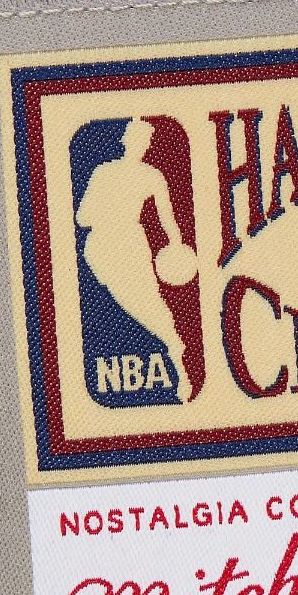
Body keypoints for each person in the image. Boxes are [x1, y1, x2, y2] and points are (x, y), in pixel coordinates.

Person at [75, 118, 196, 400]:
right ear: (126, 141)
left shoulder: (152, 176)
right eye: (139, 139)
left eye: (146, 141)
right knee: (134, 302)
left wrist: (176, 246)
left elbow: (168, 219)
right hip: (104, 247)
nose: (142, 145)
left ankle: (176, 356)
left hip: (130, 243)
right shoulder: (104, 172)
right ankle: (172, 343)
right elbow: (82, 217)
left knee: (148, 301)